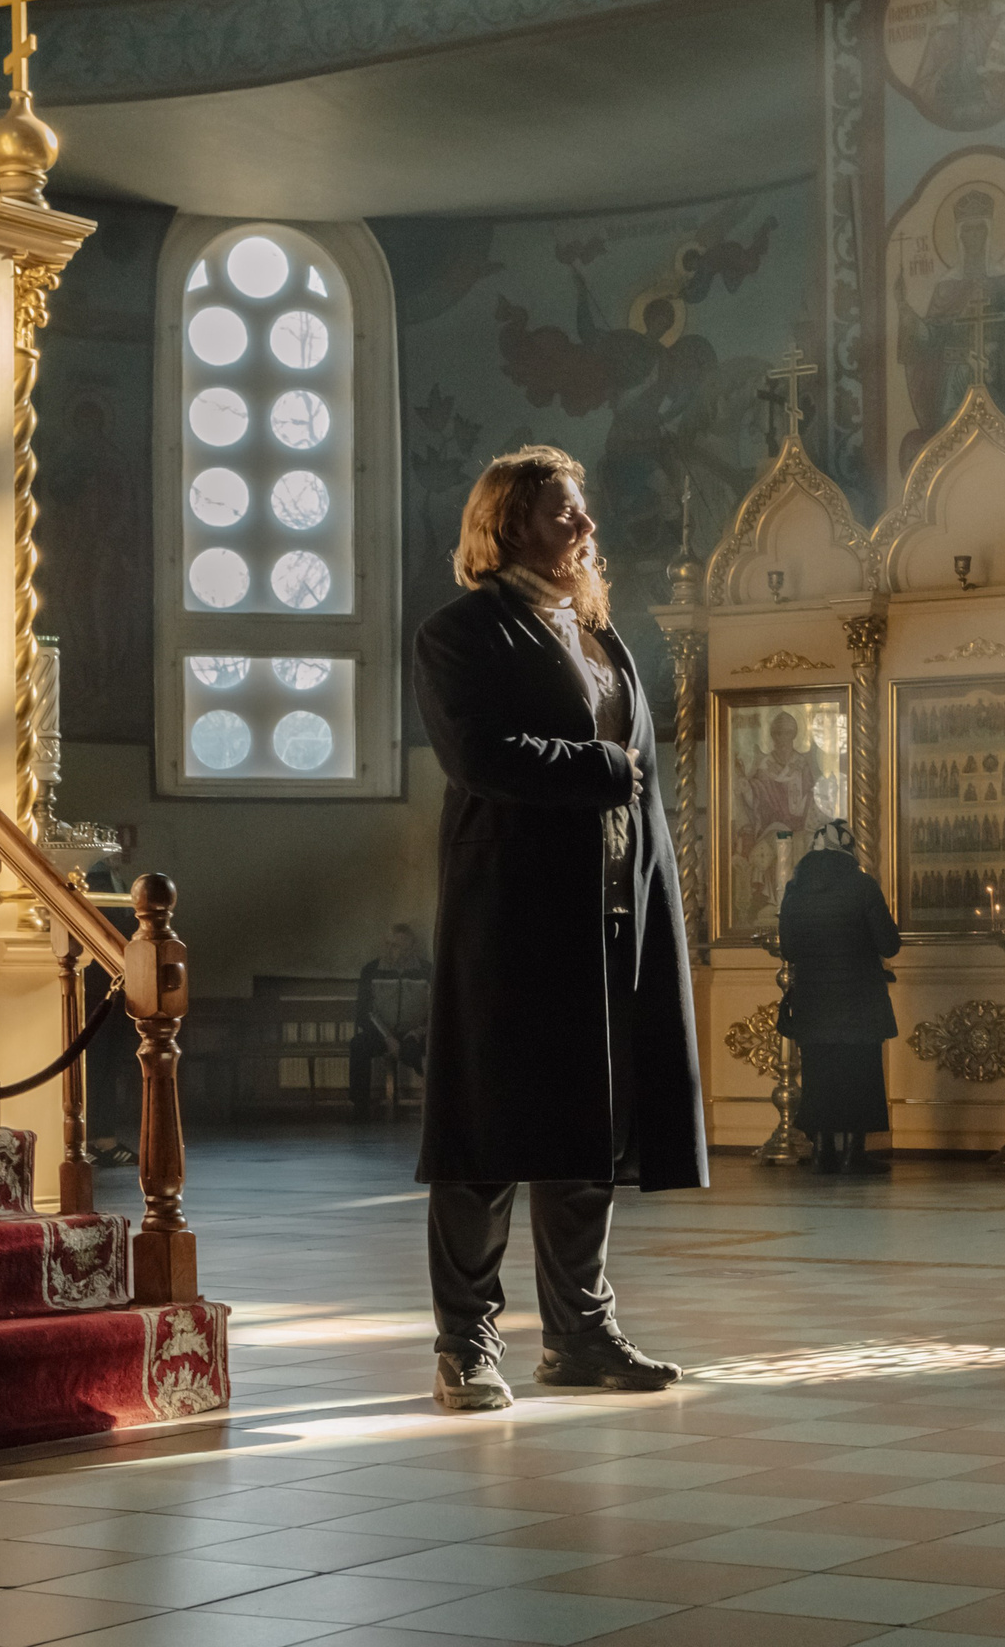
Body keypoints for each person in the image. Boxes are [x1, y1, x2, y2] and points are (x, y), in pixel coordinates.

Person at [412, 446, 707, 1412]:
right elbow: (480, 757)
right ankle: (467, 1344)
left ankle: (581, 1335)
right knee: (488, 1141)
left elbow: (640, 778)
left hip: (610, 916)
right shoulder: (462, 633)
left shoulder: (599, 637)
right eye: (561, 514)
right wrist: (599, 771)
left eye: (581, 512)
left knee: (590, 1136)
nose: (583, 527)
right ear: (507, 528)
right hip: (512, 922)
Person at [778, 819, 901, 1177]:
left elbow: (788, 948)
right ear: (848, 849)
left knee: (819, 1078)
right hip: (858, 1000)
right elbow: (888, 943)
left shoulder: (795, 889)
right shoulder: (862, 885)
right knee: (859, 1075)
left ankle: (821, 1155)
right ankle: (853, 1155)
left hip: (813, 1002)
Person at [349, 924, 432, 1114]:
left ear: (411, 947)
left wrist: (417, 1032)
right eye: (388, 944)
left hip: (415, 1033)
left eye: (397, 946)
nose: (390, 950)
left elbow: (435, 1009)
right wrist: (387, 1038)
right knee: (358, 1045)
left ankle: (438, 1102)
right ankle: (359, 1106)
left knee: (430, 1048)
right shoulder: (371, 970)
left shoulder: (427, 970)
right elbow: (364, 1011)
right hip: (382, 1032)